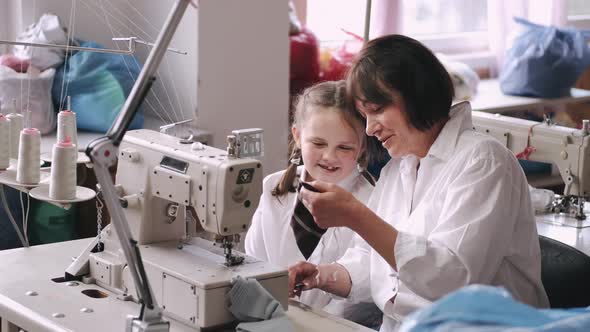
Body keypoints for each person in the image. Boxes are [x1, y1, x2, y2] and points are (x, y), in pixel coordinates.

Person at [288, 34, 549, 331]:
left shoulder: (484, 162)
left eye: (376, 110)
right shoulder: (399, 170)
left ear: (416, 95)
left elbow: (451, 279)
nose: (370, 129)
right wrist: (321, 275)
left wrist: (356, 216)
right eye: (364, 116)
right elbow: (372, 264)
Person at [245, 80, 381, 326]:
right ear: (297, 136)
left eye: (344, 147)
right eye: (318, 143)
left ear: (361, 148)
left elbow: (364, 286)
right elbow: (255, 261)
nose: (329, 156)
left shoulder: (374, 199)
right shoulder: (273, 188)